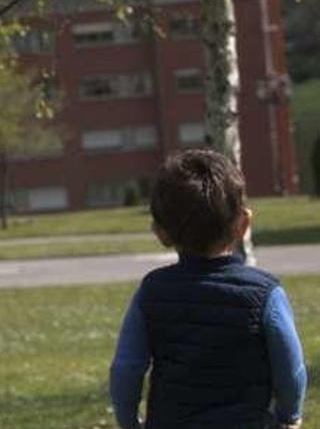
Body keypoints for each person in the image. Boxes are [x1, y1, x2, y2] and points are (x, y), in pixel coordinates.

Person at [109, 150, 307, 429]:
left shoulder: (151, 292)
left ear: (159, 231)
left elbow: (126, 368)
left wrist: (129, 421)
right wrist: (289, 415)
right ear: (243, 225)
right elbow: (290, 367)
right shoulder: (265, 294)